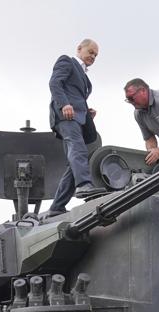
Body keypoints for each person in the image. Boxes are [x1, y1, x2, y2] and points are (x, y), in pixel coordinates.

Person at [47, 38, 103, 216]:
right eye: (90, 52)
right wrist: (64, 104)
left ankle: (57, 206)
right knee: (77, 148)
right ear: (80, 49)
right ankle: (83, 185)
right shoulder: (67, 61)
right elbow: (55, 83)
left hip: (78, 117)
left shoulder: (85, 77)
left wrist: (87, 111)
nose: (93, 56)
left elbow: (77, 96)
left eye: (95, 55)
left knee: (74, 163)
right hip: (67, 116)